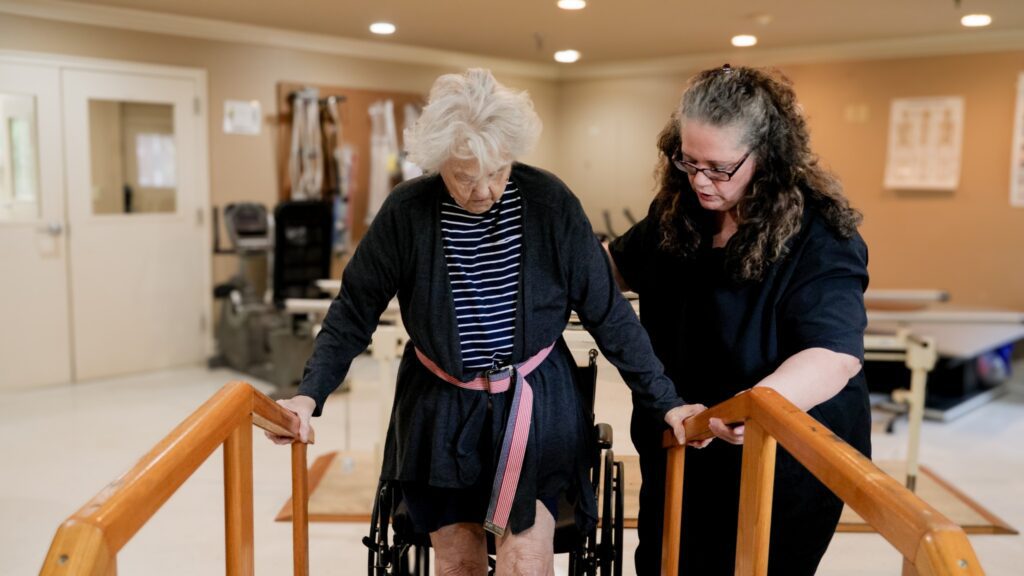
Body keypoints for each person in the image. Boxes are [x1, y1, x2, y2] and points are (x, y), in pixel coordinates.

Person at [267, 68, 704, 575]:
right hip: (441, 409)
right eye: (465, 176)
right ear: (436, 163)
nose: (484, 191)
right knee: (457, 560)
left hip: (533, 408)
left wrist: (665, 402)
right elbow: (352, 312)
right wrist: (308, 394)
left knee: (525, 557)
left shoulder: (549, 204)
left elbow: (608, 314)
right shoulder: (406, 213)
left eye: (497, 171)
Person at [607, 64, 871, 575]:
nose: (701, 180)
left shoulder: (821, 235)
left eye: (720, 167)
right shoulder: (678, 209)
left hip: (776, 455)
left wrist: (755, 406)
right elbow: (615, 269)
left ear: (767, 156)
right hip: (685, 436)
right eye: (689, 161)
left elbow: (833, 355)